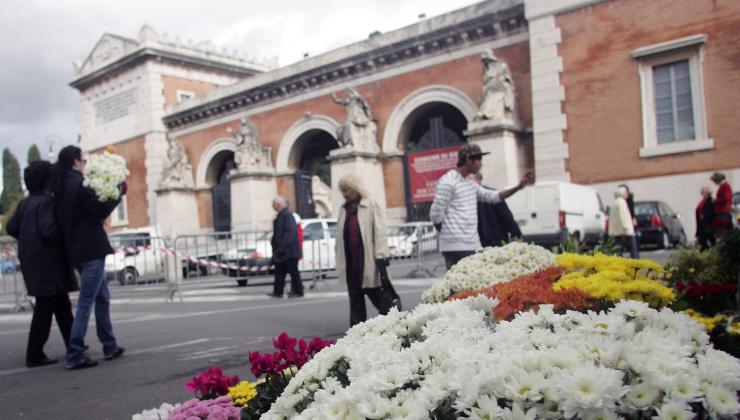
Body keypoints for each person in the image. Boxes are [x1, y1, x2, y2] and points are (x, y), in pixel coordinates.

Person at [54, 146, 126, 370]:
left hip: (75, 250)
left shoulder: (60, 186)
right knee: (87, 301)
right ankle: (75, 353)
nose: (84, 164)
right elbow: (98, 211)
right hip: (91, 249)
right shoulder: (80, 184)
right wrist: (118, 193)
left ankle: (110, 344)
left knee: (101, 297)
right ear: (76, 162)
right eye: (83, 160)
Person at [6, 161, 77, 368]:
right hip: (49, 263)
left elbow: (11, 226)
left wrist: (28, 237)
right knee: (47, 307)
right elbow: (50, 232)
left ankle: (73, 344)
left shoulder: (25, 203)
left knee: (60, 306)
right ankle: (35, 353)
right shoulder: (46, 203)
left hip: (33, 261)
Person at [429, 143, 533, 270]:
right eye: (478, 159)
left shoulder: (469, 184)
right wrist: (448, 233)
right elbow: (435, 214)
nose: (481, 163)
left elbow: (493, 197)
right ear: (468, 159)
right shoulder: (448, 182)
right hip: (456, 248)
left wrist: (519, 186)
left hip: (473, 245)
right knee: (460, 287)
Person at [335, 174, 390, 326]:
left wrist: (381, 255)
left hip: (368, 259)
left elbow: (380, 232)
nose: (344, 194)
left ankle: (394, 320)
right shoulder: (344, 209)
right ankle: (357, 329)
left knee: (375, 293)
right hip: (351, 260)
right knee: (354, 295)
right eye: (342, 191)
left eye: (346, 190)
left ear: (355, 188)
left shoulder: (370, 204)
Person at [468, 172, 522, 247]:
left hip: (496, 243)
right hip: (476, 245)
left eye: (470, 180)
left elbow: (507, 218)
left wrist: (517, 241)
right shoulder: (466, 197)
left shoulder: (492, 194)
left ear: (479, 180)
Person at [267, 197, 303, 298]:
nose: (272, 206)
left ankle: (298, 291)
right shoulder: (282, 215)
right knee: (279, 271)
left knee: (293, 272)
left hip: (288, 250)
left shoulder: (287, 215)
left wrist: (281, 245)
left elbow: (290, 233)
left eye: (273, 204)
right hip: (283, 251)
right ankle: (277, 292)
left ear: (279, 205)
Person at [608, 186, 639, 259]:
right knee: (633, 247)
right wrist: (626, 227)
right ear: (622, 194)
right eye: (626, 193)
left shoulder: (615, 202)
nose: (627, 194)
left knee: (618, 249)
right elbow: (623, 215)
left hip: (616, 231)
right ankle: (636, 261)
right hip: (626, 230)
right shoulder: (622, 202)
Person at [710, 172, 733, 237]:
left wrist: (715, 200)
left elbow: (726, 199)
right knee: (721, 231)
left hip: (723, 212)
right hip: (721, 212)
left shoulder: (725, 186)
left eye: (714, 181)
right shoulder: (722, 186)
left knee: (724, 232)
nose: (714, 183)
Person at [695, 186, 715, 251]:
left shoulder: (710, 201)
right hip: (702, 225)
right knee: (703, 242)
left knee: (706, 241)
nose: (702, 194)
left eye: (703, 192)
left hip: (707, 225)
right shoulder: (703, 201)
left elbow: (710, 211)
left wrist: (704, 216)